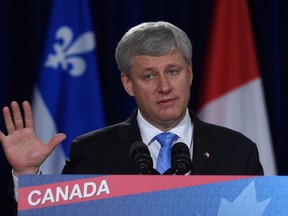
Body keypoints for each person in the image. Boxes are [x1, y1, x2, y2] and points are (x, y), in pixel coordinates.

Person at [0, 21, 263, 202]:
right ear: (128, 84)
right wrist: (27, 176)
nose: (164, 87)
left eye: (173, 72)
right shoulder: (92, 152)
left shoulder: (238, 151)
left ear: (190, 73)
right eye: (149, 76)